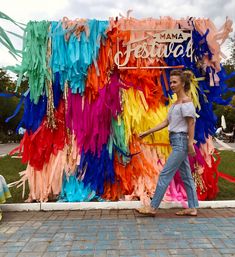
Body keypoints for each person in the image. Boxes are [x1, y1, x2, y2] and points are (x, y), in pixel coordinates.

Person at [137, 69, 199, 216]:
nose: (171, 85)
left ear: (183, 83)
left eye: (175, 82)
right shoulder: (175, 103)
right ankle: (192, 208)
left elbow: (191, 123)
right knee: (186, 176)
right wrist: (147, 132)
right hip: (176, 141)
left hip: (181, 142)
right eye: (170, 82)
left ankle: (152, 208)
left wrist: (190, 143)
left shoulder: (186, 102)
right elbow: (166, 122)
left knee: (165, 174)